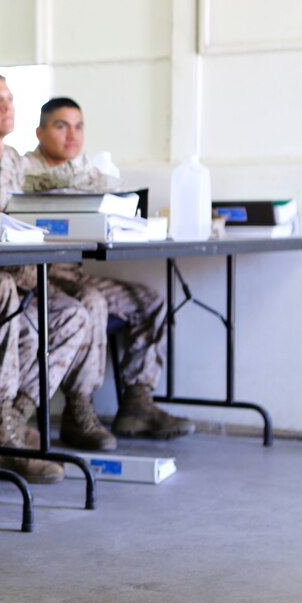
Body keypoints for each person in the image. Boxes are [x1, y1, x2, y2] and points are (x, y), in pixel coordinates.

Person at [0, 73, 99, 472]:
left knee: (73, 316)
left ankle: (8, 418)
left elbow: (24, 211)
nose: (7, 106)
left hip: (14, 274)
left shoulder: (12, 158)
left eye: (9, 98)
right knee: (13, 304)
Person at [23, 97, 194, 440]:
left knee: (149, 302)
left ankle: (137, 403)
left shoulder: (86, 172)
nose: (72, 135)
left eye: (79, 127)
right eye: (61, 126)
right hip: (36, 275)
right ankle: (78, 407)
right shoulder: (26, 171)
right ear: (40, 132)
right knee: (93, 301)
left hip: (72, 272)